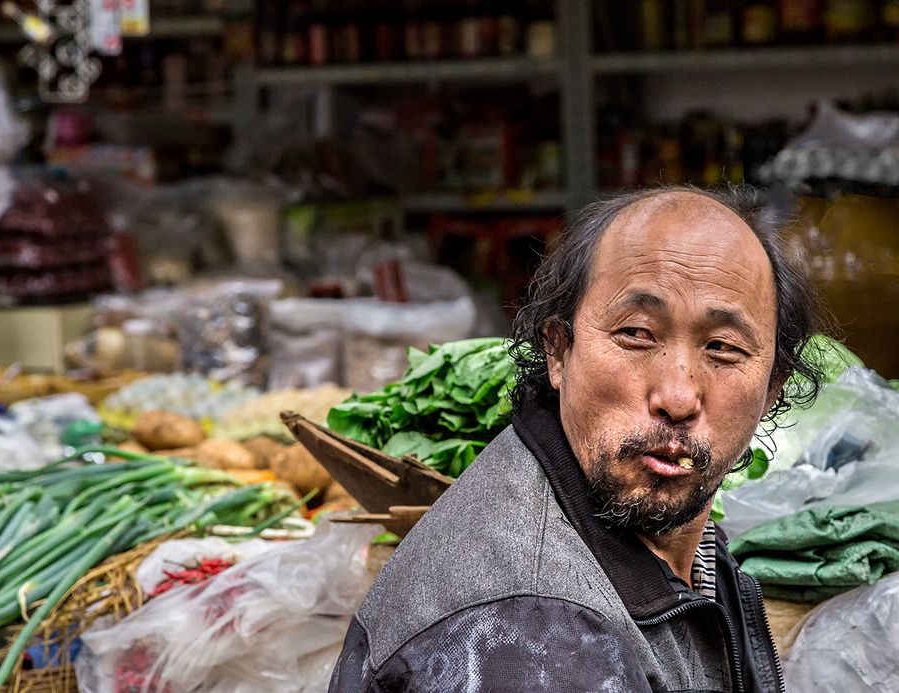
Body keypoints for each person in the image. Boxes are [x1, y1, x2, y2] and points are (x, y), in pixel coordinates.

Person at [329, 186, 825, 692]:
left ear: (771, 389)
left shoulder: (670, 541)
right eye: (636, 334)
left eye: (722, 347)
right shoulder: (537, 637)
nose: (678, 397)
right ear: (559, 352)